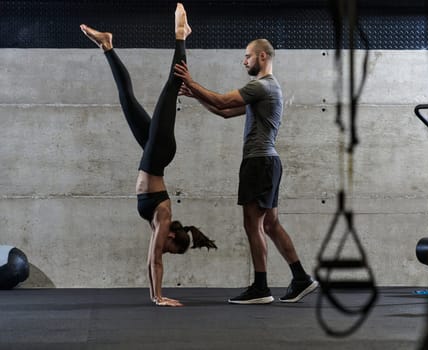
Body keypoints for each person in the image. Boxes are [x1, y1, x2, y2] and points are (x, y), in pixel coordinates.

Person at [80, 3, 216, 307]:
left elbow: (154, 255)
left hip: (152, 153)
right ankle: (181, 35)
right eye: (170, 248)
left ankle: (107, 45)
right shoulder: (163, 219)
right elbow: (154, 259)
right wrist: (158, 297)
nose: (163, 248)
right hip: (159, 153)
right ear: (171, 239)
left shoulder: (158, 223)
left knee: (126, 99)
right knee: (172, 86)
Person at [175, 38, 318, 304]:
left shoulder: (261, 86)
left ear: (262, 57)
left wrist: (192, 82)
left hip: (258, 163)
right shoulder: (268, 90)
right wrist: (195, 94)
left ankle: (261, 288)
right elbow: (224, 111)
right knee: (271, 224)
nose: (244, 61)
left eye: (248, 56)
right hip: (267, 163)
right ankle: (301, 278)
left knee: (253, 224)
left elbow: (221, 99)